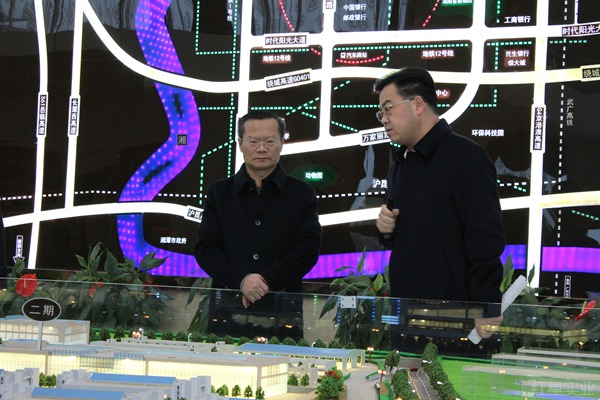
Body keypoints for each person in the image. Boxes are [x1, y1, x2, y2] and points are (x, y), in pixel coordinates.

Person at [373, 67, 506, 338]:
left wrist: (487, 306)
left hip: (455, 318)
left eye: (388, 109)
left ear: (417, 104)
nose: (383, 119)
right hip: (406, 311)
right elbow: (414, 234)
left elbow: (485, 238)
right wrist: (386, 230)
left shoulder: (466, 157)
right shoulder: (400, 162)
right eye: (381, 113)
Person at [195, 110, 322, 338]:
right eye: (253, 141)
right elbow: (206, 248)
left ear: (282, 142)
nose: (261, 148)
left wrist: (264, 282)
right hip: (227, 309)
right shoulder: (219, 193)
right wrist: (242, 280)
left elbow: (307, 250)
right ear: (240, 144)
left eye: (270, 141)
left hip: (283, 312)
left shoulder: (302, 194)